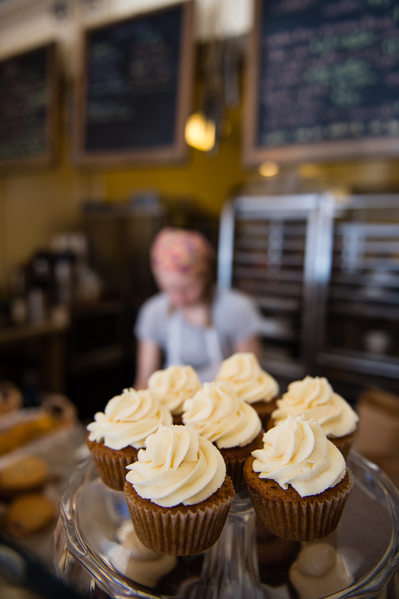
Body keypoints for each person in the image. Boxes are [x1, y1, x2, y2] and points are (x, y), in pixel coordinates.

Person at [134, 227, 263, 387]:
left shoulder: (238, 308)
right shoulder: (153, 312)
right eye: (168, 289)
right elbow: (144, 382)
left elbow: (250, 380)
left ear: (206, 275)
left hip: (225, 408)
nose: (178, 298)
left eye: (187, 288)